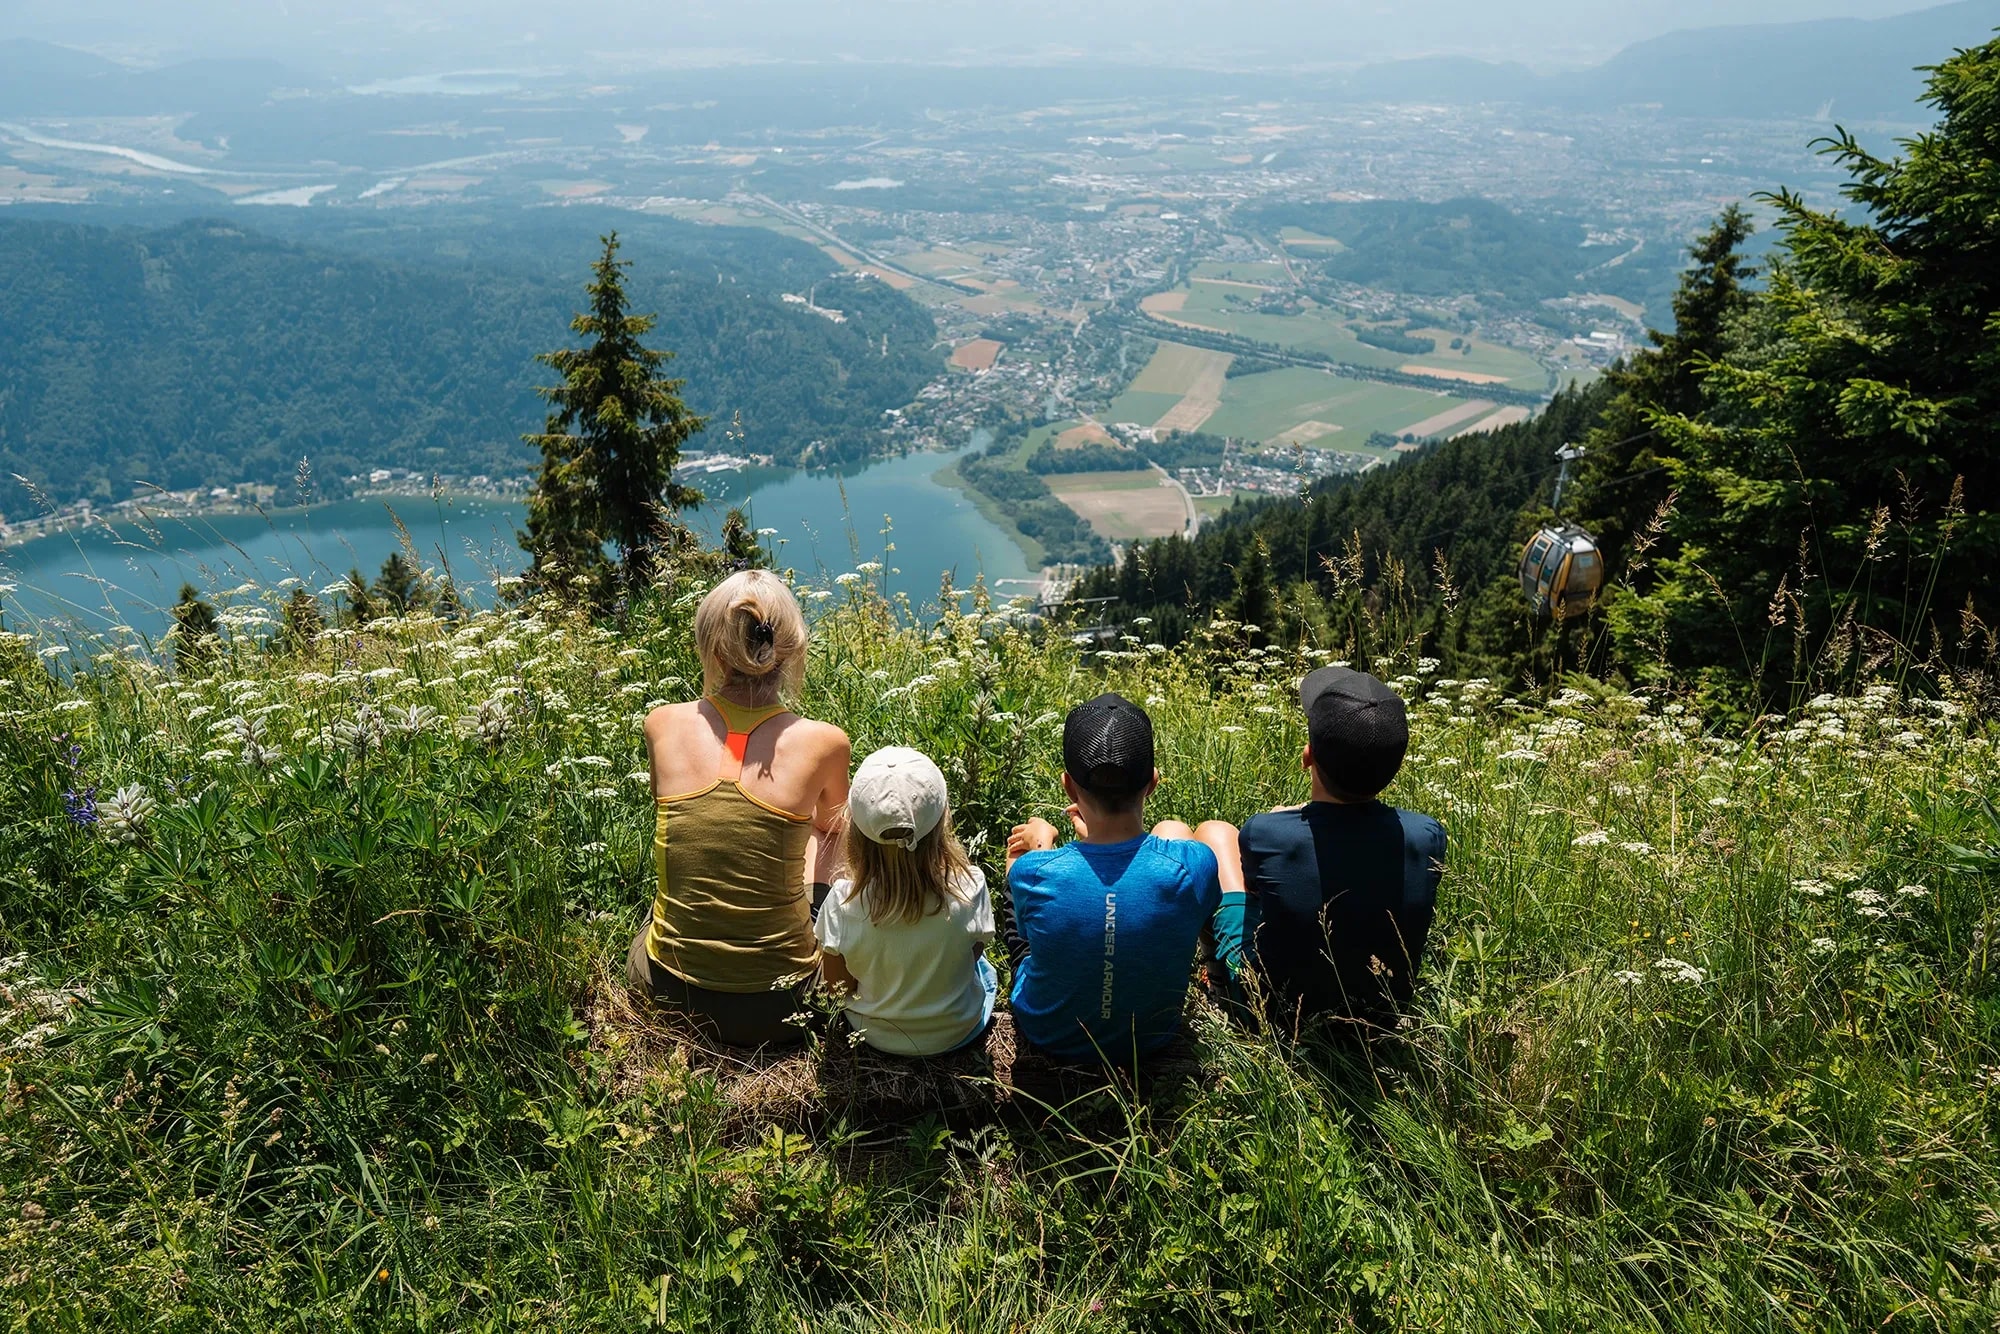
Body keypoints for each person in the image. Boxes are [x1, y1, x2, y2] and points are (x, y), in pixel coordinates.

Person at [627, 570, 850, 1048]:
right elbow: (832, 834)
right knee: (824, 833)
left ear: (713, 649)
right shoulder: (825, 742)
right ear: (789, 649)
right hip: (781, 1007)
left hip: (668, 994)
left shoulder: (661, 724)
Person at [1219, 666, 1446, 1041]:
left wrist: (1286, 819)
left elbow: (1256, 892)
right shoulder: (1426, 835)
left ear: (1308, 756)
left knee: (1217, 833)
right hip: (1380, 1019)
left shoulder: (1265, 831)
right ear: (1396, 767)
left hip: (1279, 1015)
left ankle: (1218, 969)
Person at [1004, 693, 1230, 1064]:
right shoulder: (1196, 864)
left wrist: (1041, 845)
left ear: (1068, 786)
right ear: (1153, 782)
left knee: (1025, 890)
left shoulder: (1035, 870)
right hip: (1151, 1037)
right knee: (1173, 830)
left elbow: (1031, 887)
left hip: (1049, 1032)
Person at [815, 747, 998, 1057]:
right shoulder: (971, 887)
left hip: (874, 1037)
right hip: (958, 1030)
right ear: (942, 820)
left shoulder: (842, 903)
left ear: (856, 832)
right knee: (985, 971)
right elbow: (973, 955)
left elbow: (836, 990)